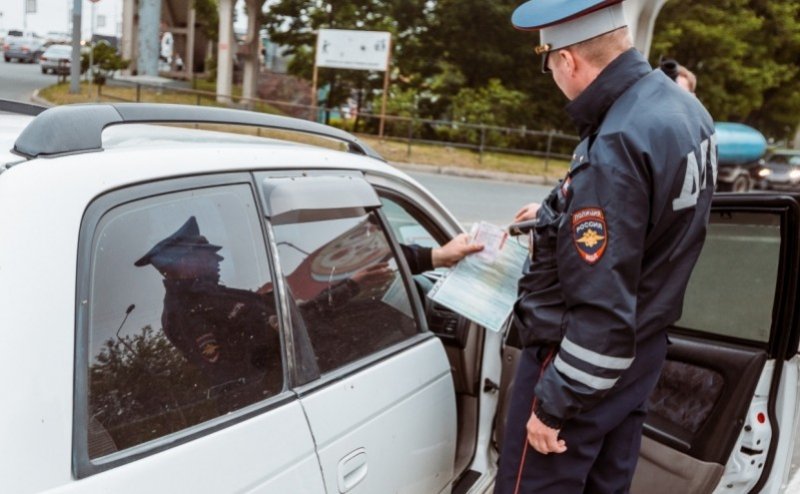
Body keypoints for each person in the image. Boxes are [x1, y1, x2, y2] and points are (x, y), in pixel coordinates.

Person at [496, 1, 717, 492]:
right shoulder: (681, 108)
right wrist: (558, 214)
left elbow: (602, 305)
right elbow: (647, 224)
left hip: (579, 364)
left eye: (548, 63)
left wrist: (553, 407)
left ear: (567, 60)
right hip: (639, 356)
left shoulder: (616, 144)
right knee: (607, 484)